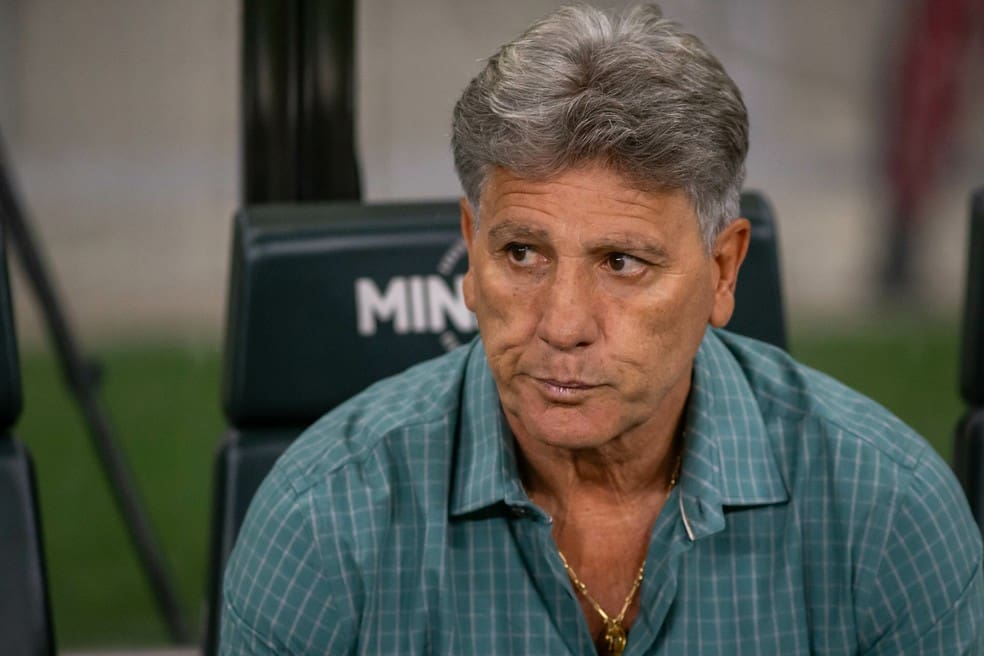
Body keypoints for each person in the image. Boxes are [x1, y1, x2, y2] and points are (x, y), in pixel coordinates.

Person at [220, 4, 983, 654]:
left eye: (621, 262)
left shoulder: (887, 514)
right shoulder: (322, 521)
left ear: (723, 272)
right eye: (522, 253)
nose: (562, 325)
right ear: (471, 248)